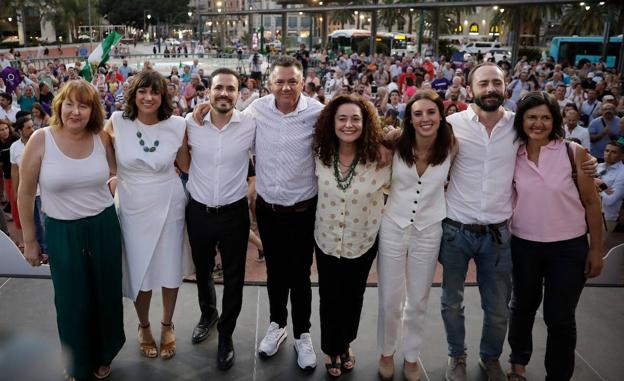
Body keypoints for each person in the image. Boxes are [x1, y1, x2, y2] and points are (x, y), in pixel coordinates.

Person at [440, 62, 597, 381]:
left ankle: (491, 358)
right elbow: (421, 148)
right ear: (471, 88)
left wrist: (587, 161)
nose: (490, 89)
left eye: (496, 83)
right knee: (451, 304)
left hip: (499, 234)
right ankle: (457, 356)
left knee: (498, 310)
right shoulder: (451, 124)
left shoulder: (518, 128)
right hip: (456, 229)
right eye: (483, 84)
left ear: (506, 86)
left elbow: (556, 151)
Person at [17, 79, 124, 381]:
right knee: (71, 301)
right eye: (70, 104)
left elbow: (115, 171)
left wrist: (115, 185)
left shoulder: (101, 138)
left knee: (106, 294)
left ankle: (104, 353)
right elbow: (25, 193)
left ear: (93, 111)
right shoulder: (41, 139)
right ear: (59, 105)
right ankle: (77, 361)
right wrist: (30, 240)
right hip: (62, 231)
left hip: (103, 226)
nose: (75, 111)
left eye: (84, 105)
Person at [507, 91, 603, 381]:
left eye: (545, 117)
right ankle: (518, 364)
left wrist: (596, 250)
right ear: (521, 121)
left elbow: (591, 203)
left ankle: (558, 376)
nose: (538, 123)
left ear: (555, 120)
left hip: (568, 248)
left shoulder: (574, 153)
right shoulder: (512, 154)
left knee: (559, 318)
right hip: (524, 245)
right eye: (532, 117)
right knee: (522, 307)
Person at [104, 70, 192, 361]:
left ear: (163, 96)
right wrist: (114, 179)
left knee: (169, 267)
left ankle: (167, 325)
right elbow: (104, 155)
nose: (149, 97)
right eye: (143, 91)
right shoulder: (116, 121)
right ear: (133, 94)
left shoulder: (178, 124)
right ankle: (144, 327)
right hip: (131, 204)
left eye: (155, 92)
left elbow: (185, 164)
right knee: (139, 271)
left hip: (169, 201)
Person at [377, 90, 456, 381]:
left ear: (440, 115)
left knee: (419, 297)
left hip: (429, 228)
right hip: (393, 225)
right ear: (409, 119)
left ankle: (411, 356)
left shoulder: (452, 145)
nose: (425, 118)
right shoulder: (396, 142)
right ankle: (386, 351)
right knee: (389, 297)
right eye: (418, 113)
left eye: (431, 112)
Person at [311, 94, 390, 377]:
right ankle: (331, 348)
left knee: (353, 295)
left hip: (363, 239)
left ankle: (346, 343)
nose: (348, 124)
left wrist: (388, 141)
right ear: (331, 122)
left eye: (355, 118)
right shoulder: (320, 154)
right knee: (330, 296)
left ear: (366, 123)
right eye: (342, 118)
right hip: (327, 238)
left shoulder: (381, 158)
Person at [182, 68, 256, 370]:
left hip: (234, 214)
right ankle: (208, 314)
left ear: (239, 94)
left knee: (235, 279)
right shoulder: (190, 121)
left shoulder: (251, 123)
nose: (224, 93)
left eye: (231, 89)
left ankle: (225, 335)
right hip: (198, 211)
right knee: (202, 271)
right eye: (218, 88)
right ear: (207, 92)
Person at [596, 140, 624, 232]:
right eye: (607, 150)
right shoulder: (598, 166)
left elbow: (610, 200)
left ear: (622, 156)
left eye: (614, 152)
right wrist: (602, 188)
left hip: (606, 217)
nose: (608, 154)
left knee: (600, 246)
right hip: (588, 213)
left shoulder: (622, 173)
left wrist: (596, 185)